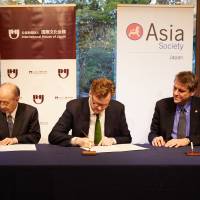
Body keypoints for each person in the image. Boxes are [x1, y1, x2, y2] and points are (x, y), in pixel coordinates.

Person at [49, 77, 132, 147]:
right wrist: (77, 141)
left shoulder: (117, 108)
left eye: (104, 105)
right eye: (96, 103)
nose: (99, 108)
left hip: (108, 157)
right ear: (90, 93)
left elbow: (127, 138)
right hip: (82, 156)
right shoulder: (74, 107)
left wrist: (112, 140)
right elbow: (54, 135)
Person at [148, 71, 200, 148]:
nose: (175, 93)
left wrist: (188, 140)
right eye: (175, 88)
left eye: (181, 91)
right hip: (168, 150)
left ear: (192, 92)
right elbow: (153, 133)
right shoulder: (161, 105)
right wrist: (155, 138)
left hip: (192, 150)